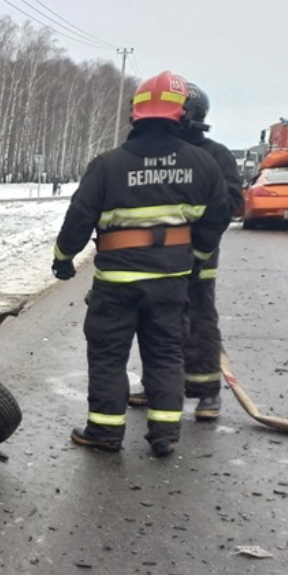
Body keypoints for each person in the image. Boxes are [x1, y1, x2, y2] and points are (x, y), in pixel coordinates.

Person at [51, 71, 230, 457]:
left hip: (117, 281)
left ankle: (104, 432)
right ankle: (165, 434)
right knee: (166, 353)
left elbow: (79, 217)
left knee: (108, 355)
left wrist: (63, 260)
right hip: (170, 281)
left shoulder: (109, 165)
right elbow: (217, 217)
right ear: (181, 116)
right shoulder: (203, 164)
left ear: (135, 115)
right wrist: (196, 258)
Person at [128, 83, 243, 420]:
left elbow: (229, 204)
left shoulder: (214, 155)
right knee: (154, 324)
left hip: (196, 258)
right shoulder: (154, 152)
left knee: (199, 321)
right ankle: (159, 387)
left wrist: (197, 245)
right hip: (155, 259)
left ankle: (207, 392)